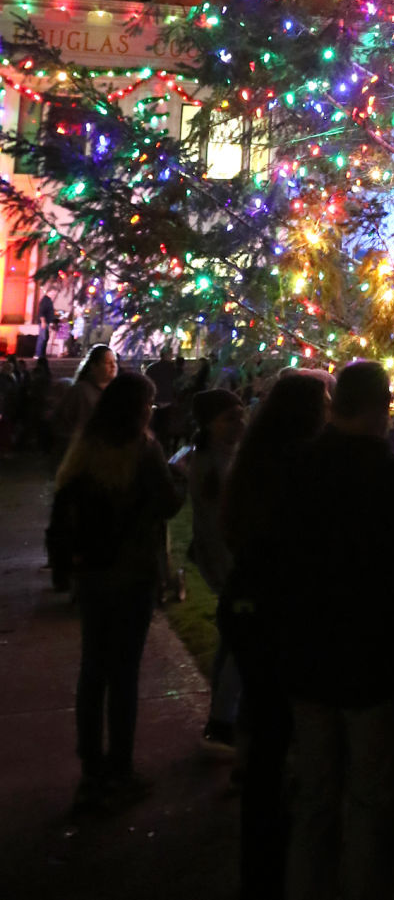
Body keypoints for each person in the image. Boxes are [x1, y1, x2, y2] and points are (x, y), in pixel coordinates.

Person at [279, 362, 394, 900]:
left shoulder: (298, 469)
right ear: (381, 408)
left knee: (315, 798)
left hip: (307, 654)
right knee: (371, 801)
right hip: (372, 657)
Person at [48, 370, 184, 810]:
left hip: (93, 572)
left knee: (94, 668)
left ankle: (92, 766)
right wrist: (179, 477)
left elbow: (65, 500)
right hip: (132, 571)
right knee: (123, 674)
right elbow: (167, 503)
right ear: (138, 408)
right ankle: (119, 767)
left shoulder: (86, 447)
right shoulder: (143, 450)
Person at [219, 371, 329, 900]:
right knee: (292, 727)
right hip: (285, 613)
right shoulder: (303, 468)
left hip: (247, 608)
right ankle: (289, 851)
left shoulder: (254, 461)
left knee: (266, 727)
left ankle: (260, 854)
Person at [178, 388, 246, 747]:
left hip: (226, 564)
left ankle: (223, 715)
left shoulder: (226, 455)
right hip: (230, 566)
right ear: (209, 423)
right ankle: (223, 720)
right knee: (243, 643)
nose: (239, 423)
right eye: (229, 418)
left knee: (232, 639)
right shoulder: (211, 463)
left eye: (240, 415)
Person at [54, 345, 117, 457]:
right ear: (94, 366)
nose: (113, 366)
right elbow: (63, 423)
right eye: (108, 362)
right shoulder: (80, 391)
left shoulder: (116, 391)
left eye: (114, 362)